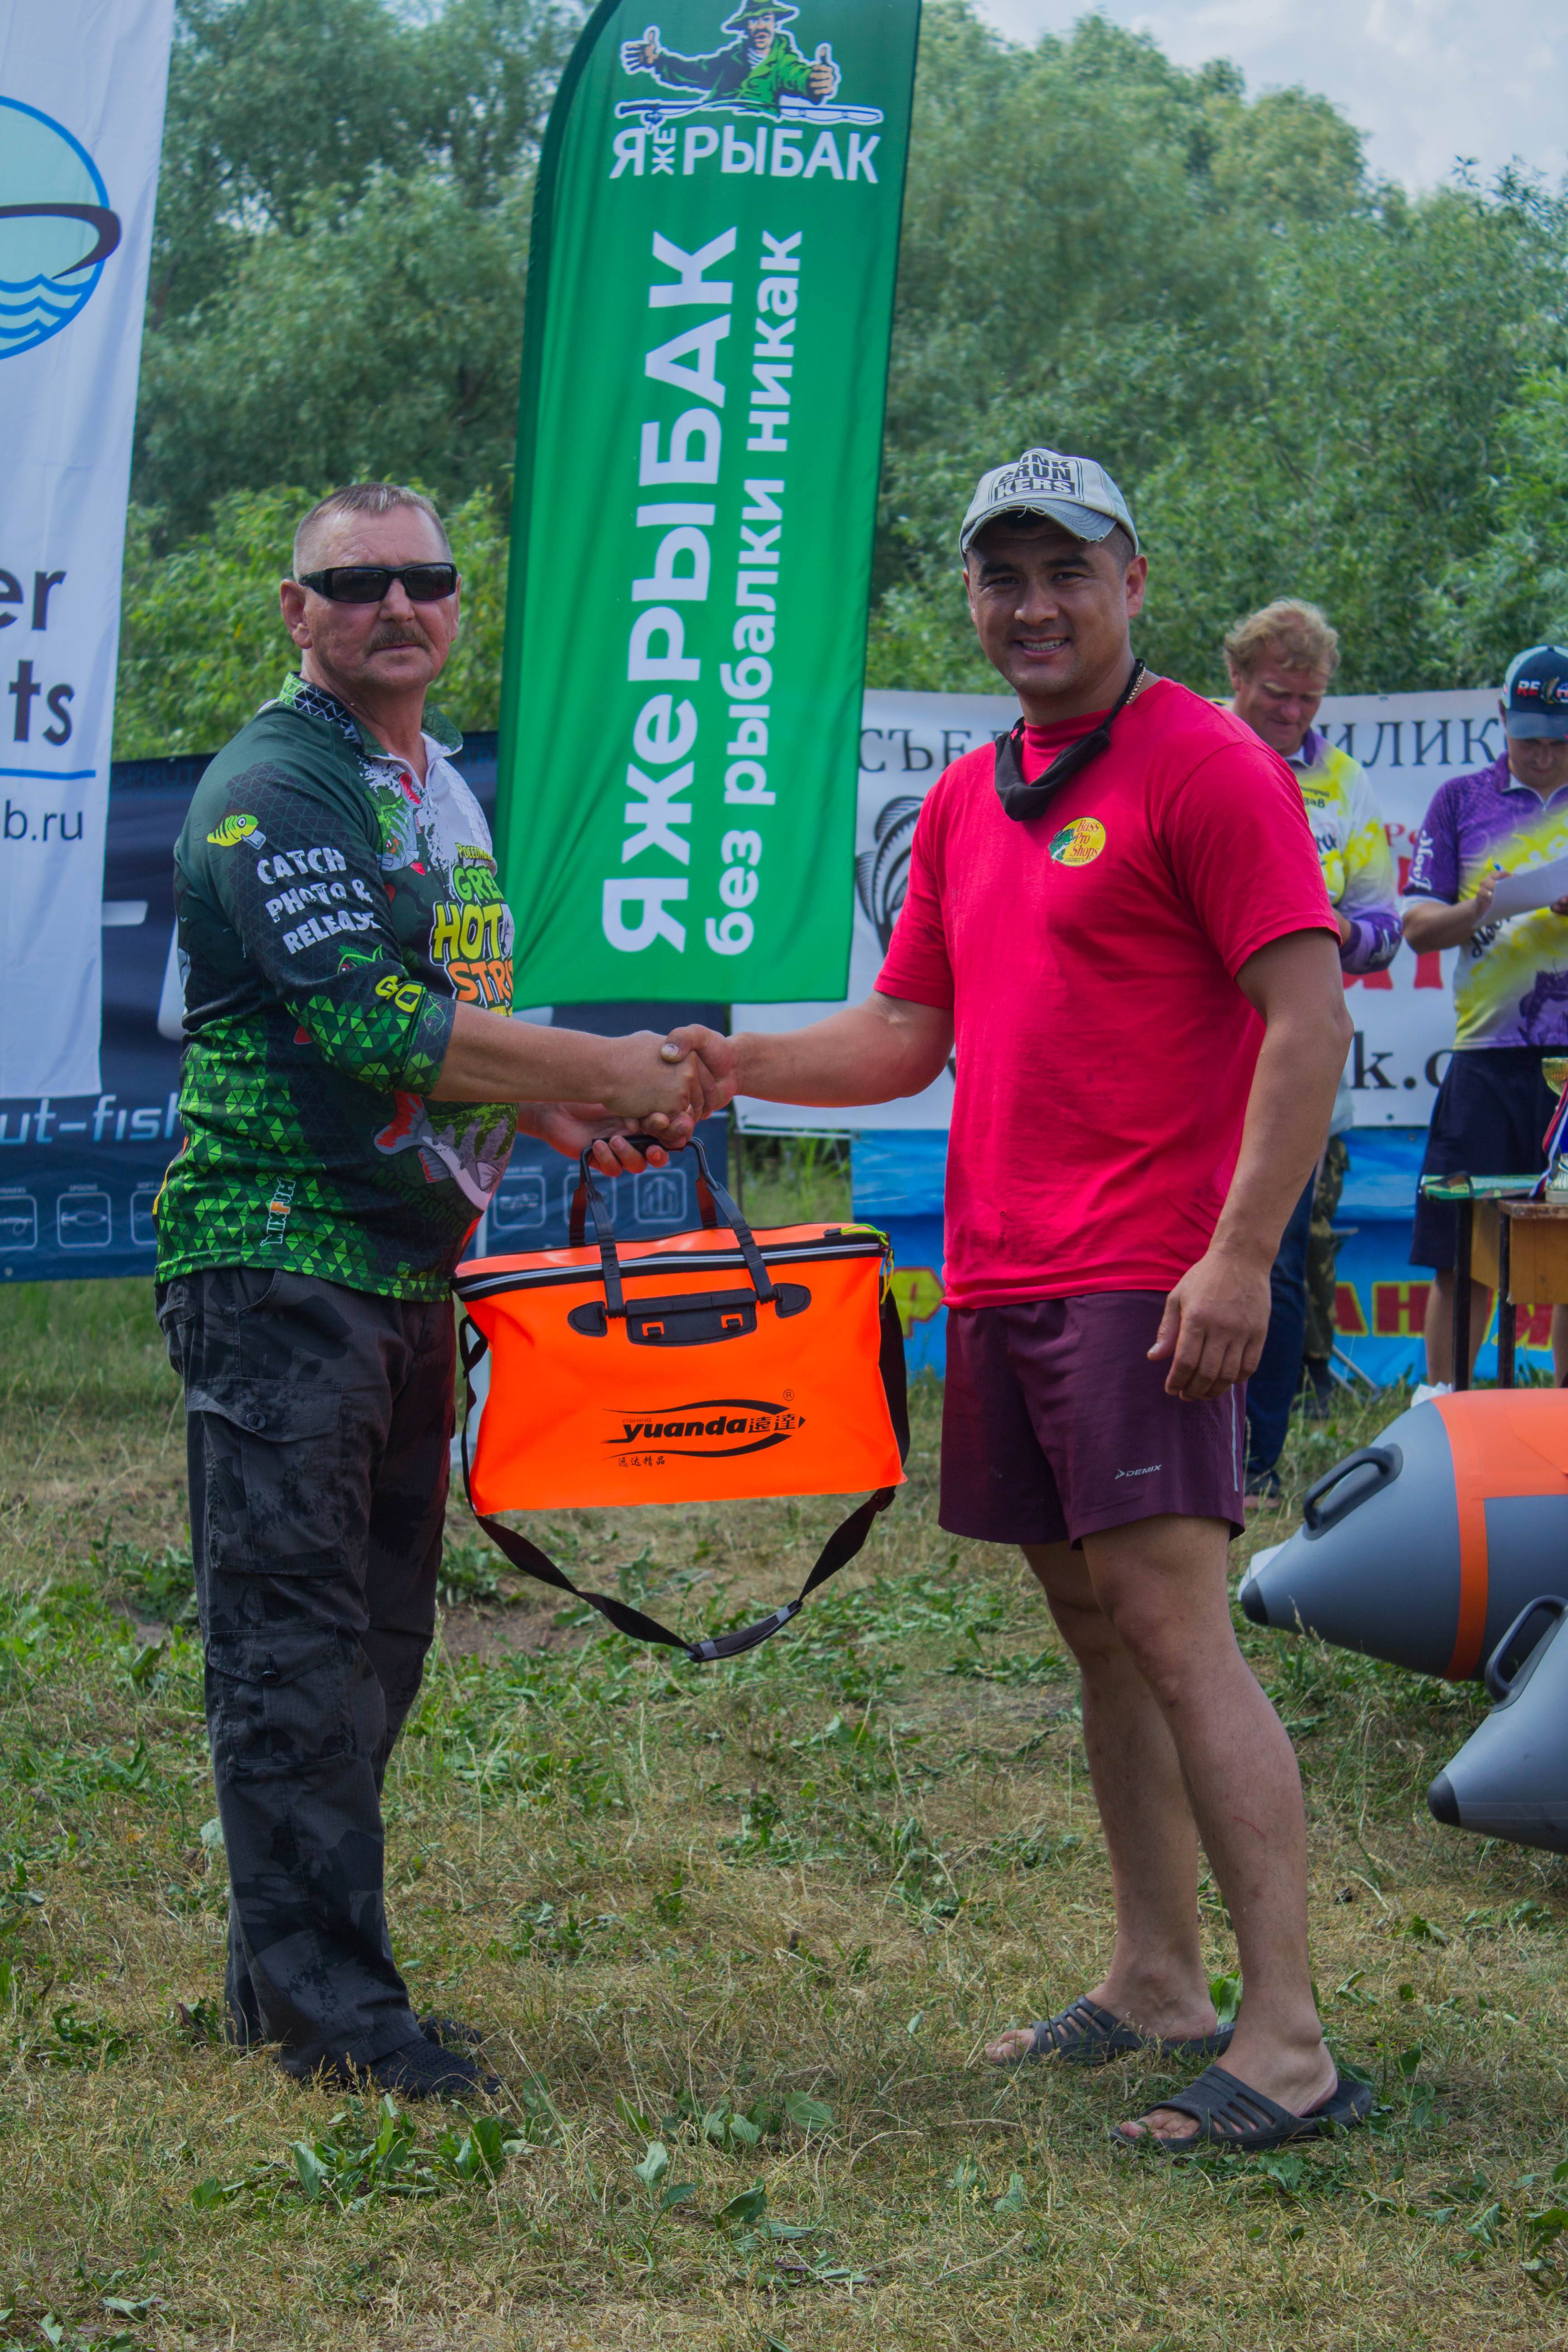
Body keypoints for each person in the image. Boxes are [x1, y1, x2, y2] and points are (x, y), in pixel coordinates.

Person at [670, 446, 1370, 2153]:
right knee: (1096, 1629)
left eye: (1066, 571)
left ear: (1135, 581)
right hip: (1007, 1270)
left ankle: (1288, 2041)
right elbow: (906, 1033)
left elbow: (1311, 1021)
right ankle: (1159, 1978)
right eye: (1003, 577)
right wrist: (728, 1066)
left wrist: (1238, 1255)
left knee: (1176, 1630)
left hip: (1149, 1272)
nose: (1033, 606)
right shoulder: (974, 798)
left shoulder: (1208, 765)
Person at [154, 482, 706, 2099]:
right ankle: (339, 2021)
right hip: (279, 1261)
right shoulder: (275, 787)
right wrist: (598, 1066)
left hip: (404, 1268)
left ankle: (283, 1973)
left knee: (377, 1644)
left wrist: (555, 1117)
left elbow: (453, 1021)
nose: (396, 604)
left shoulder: (434, 789)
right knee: (294, 1647)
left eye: (426, 578)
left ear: (458, 603)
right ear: (296, 612)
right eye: (356, 583)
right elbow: (375, 1025)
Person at [1225, 600, 1401, 1486]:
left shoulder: (1343, 781)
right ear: (1237, 677)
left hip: (1294, 1058)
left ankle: (1256, 1459)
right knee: (1173, 1249)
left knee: (1277, 1257)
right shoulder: (1193, 749)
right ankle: (1165, 1448)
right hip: (1191, 1056)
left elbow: (1387, 926)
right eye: (1277, 694)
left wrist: (1327, 929)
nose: (1294, 713)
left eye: (1310, 698)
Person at [1405, 645, 1568, 1386]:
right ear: (1502, 716)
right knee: (1461, 1252)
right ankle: (1441, 1408)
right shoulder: (1460, 800)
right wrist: (1479, 907)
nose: (1543, 754)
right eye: (1528, 737)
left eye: (1560, 740)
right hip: (1487, 1056)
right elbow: (1415, 929)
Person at [620, 0, 838, 107]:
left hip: (757, 134)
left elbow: (796, 75)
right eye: (754, 21)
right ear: (746, 27)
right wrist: (658, 61)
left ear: (775, 24)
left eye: (766, 19)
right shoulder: (731, 59)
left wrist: (814, 81)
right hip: (716, 136)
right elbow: (695, 72)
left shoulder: (783, 60)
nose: (761, 27)